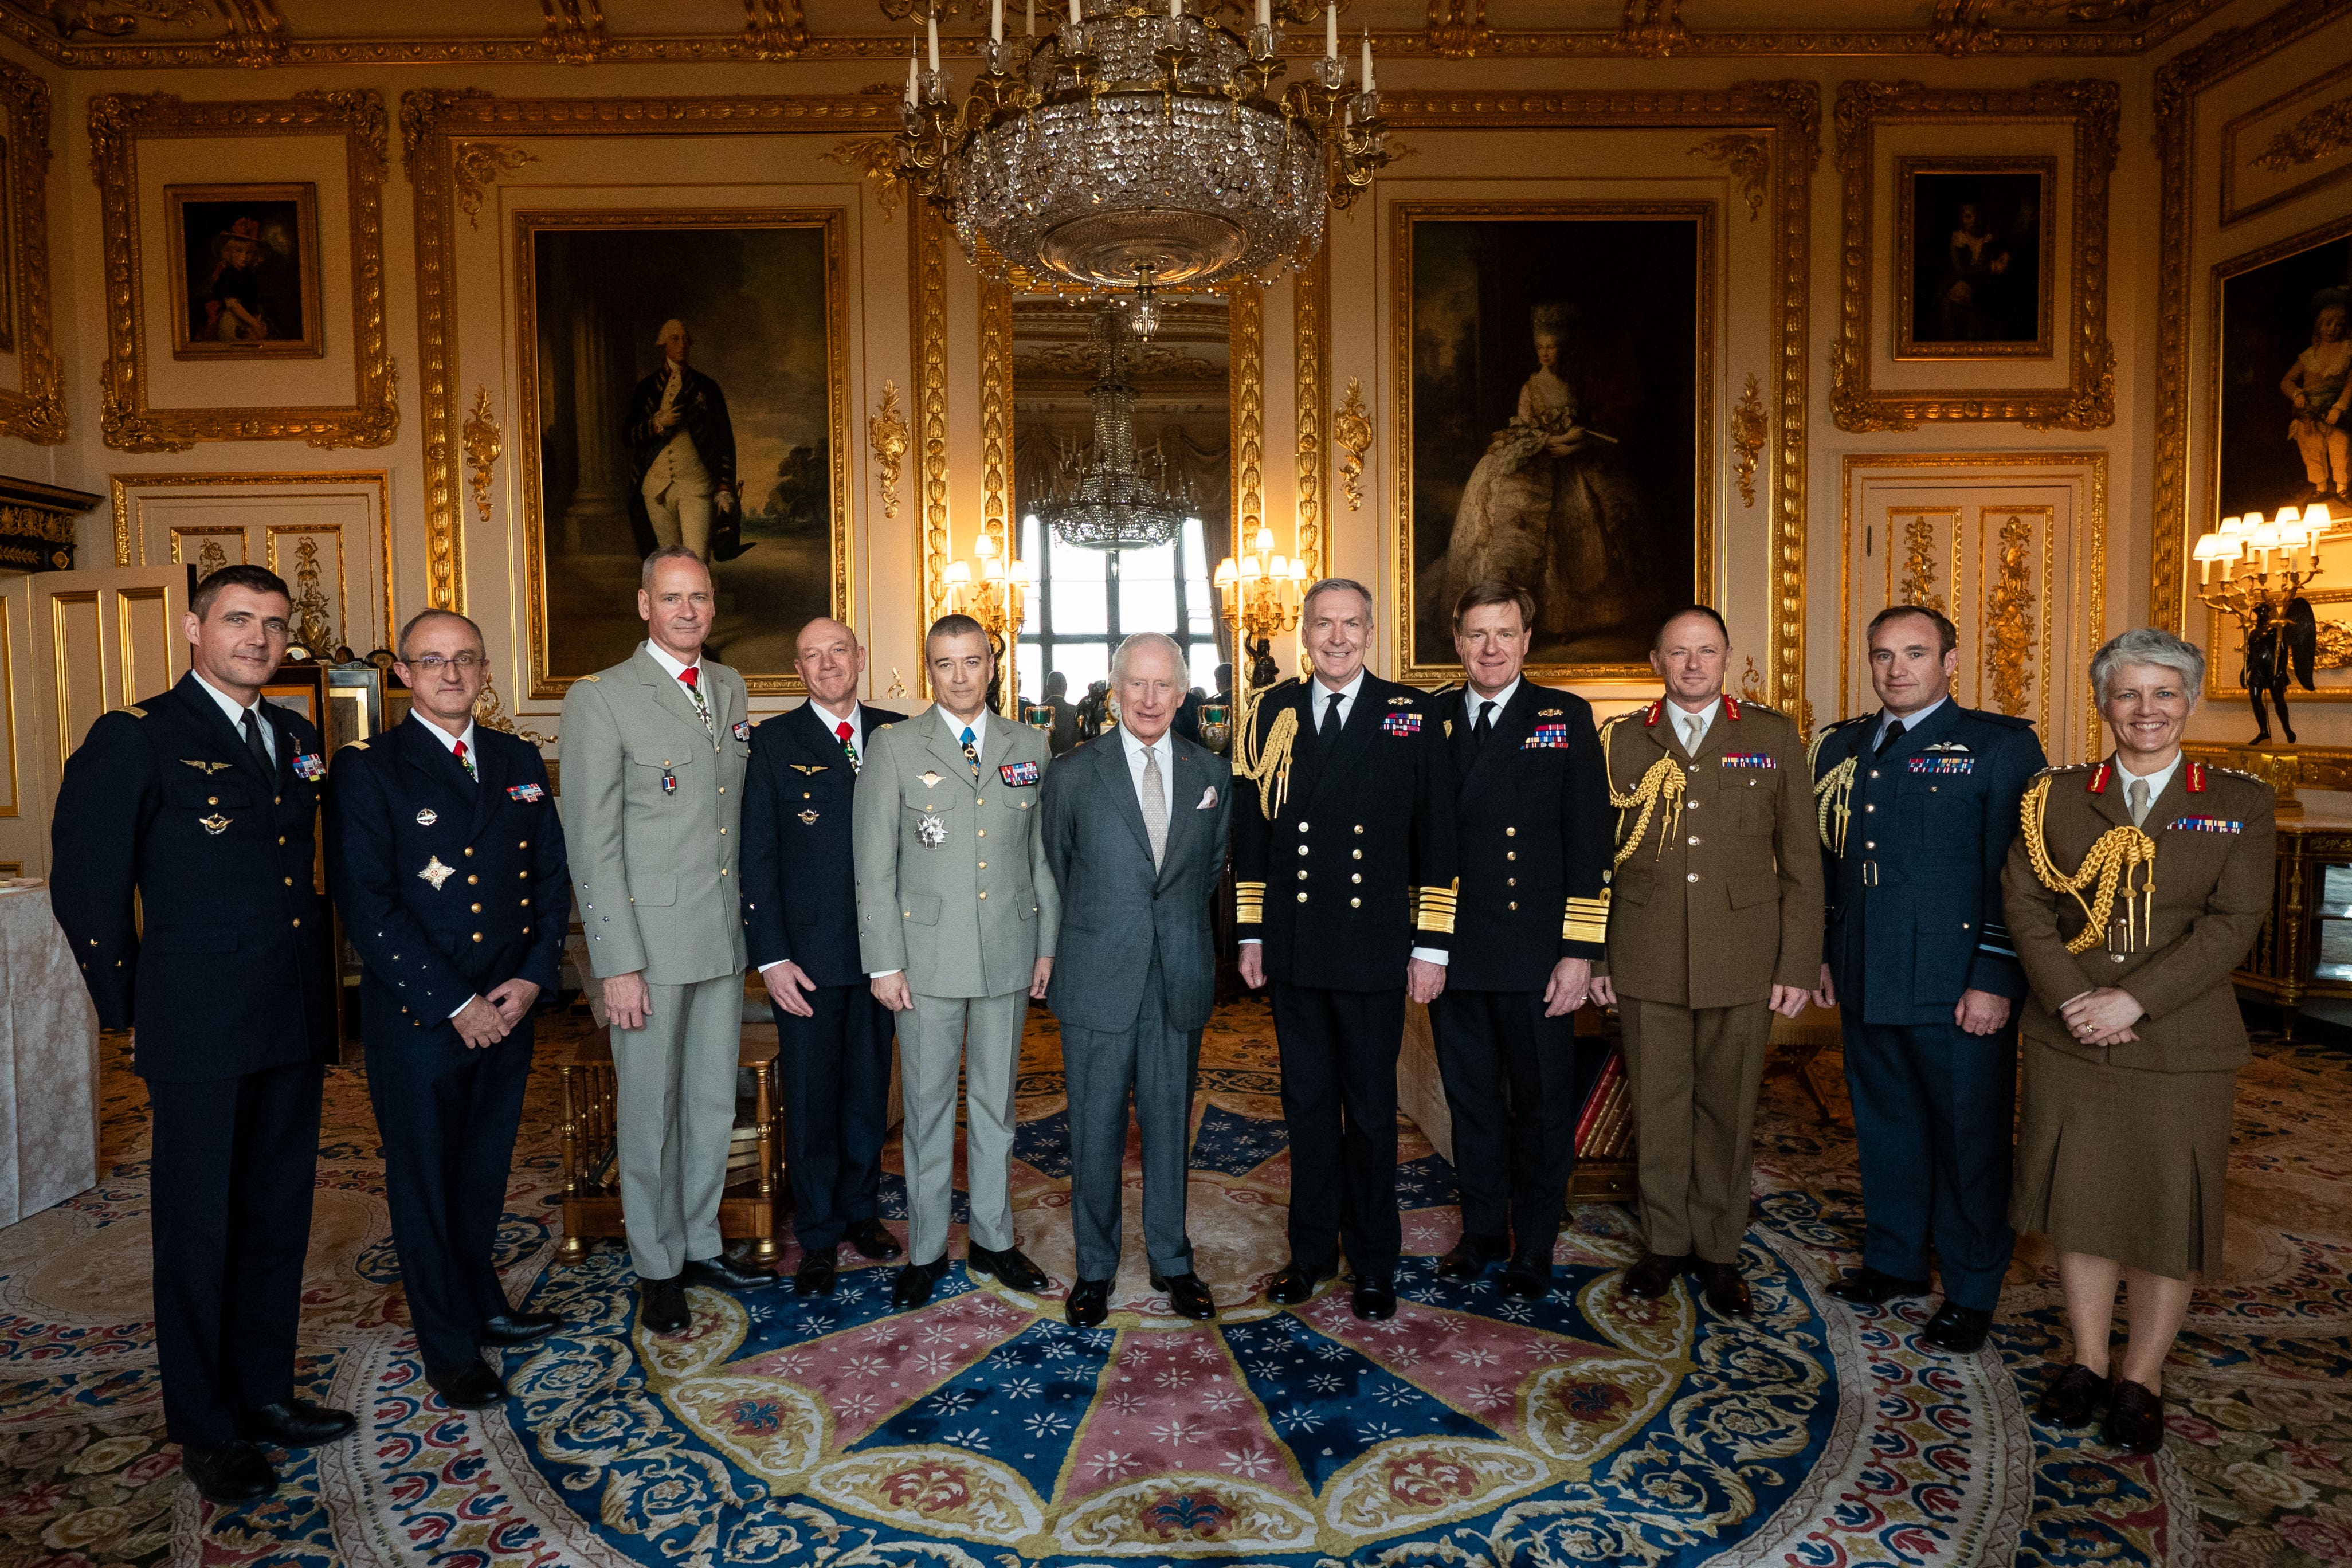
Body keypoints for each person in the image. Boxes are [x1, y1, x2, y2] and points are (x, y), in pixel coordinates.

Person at [50, 563, 351, 1503]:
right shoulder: (137, 737)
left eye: (272, 623)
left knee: (275, 1218)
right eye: (237, 620)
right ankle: (206, 1426)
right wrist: (128, 1008)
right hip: (197, 1023)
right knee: (199, 1229)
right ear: (192, 627)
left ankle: (263, 1393)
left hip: (289, 1012)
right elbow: (88, 887)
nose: (257, 638)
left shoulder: (297, 736)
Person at [2002, 629, 2272, 1453]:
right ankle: (2086, 1361)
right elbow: (2024, 905)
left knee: (2166, 1211)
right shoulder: (2053, 795)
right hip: (2072, 1029)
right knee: (2081, 1204)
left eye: (2163, 693)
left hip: (2180, 1040)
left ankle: (2142, 1375)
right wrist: (2078, 997)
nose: (2145, 710)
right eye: (2128, 694)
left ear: (2188, 702)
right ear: (2103, 704)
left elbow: (2235, 923)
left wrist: (2135, 1000)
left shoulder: (2236, 800)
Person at [324, 609, 571, 1409]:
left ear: (486, 666)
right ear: (403, 674)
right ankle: (449, 1346)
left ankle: (482, 1304)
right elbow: (368, 904)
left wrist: (532, 980)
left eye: (465, 659)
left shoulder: (516, 757)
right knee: (426, 1182)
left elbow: (550, 883)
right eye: (432, 662)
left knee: (484, 1169)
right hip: (424, 1018)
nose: (451, 674)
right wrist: (456, 1002)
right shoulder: (370, 768)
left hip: (510, 1005)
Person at [1809, 603, 2046, 1352]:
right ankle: (1896, 1260)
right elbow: (1829, 863)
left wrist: (1996, 974)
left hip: (1957, 981)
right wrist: (1820, 952)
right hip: (1867, 967)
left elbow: (2020, 873)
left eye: (1915, 653)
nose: (1896, 668)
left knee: (1968, 1136)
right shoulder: (1841, 746)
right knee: (1885, 1124)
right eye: (1883, 655)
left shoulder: (1997, 745)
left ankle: (1974, 1289)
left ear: (1951, 659)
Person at [560, 546, 774, 1336]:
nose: (689, 612)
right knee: (649, 1109)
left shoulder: (729, 687)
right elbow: (592, 843)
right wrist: (617, 962)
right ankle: (655, 1264)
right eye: (673, 598)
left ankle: (697, 1237)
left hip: (719, 937)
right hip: (646, 948)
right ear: (644, 605)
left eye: (702, 598)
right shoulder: (603, 698)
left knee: (714, 1101)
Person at [1233, 578, 1458, 1320]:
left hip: (1371, 947)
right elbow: (1254, 834)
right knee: (1304, 1107)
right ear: (1303, 631)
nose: (1336, 638)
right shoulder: (1271, 710)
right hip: (1296, 945)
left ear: (1371, 633)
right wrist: (1252, 932)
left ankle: (1372, 1261)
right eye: (1323, 624)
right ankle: (1308, 1256)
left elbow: (1438, 837)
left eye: (1351, 625)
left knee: (1368, 1113)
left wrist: (1432, 944)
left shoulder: (1410, 713)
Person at [1589, 606, 1821, 1316]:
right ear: (1656, 661)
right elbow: (1596, 860)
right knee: (1658, 1105)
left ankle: (1720, 1250)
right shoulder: (1623, 741)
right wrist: (1596, 954)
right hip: (1646, 948)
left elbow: (1802, 862)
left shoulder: (1773, 736)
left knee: (1729, 1107)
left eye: (1708, 652)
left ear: (1727, 659)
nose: (1694, 665)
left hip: (1741, 953)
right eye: (1679, 653)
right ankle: (1664, 1243)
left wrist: (1798, 964)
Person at [853, 614, 1060, 1308]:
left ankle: (996, 1240)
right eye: (946, 664)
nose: (961, 676)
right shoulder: (893, 747)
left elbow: (1041, 858)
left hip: (1006, 950)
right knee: (928, 1108)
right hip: (926, 958)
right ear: (928, 671)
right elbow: (874, 868)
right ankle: (929, 1247)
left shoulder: (1029, 743)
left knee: (997, 1108)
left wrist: (1046, 944)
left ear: (992, 665)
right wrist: (884, 961)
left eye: (973, 661)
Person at [1041, 632, 1233, 1326]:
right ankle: (1094, 1268)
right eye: (1137, 685)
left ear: (1182, 694)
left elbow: (1205, 874)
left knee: (1166, 1124)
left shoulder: (1211, 773)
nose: (1150, 699)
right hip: (1097, 972)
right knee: (1093, 1129)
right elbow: (1061, 870)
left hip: (1176, 972)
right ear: (1114, 690)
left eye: (1164, 686)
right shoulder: (1071, 773)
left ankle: (1172, 1261)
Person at [1425, 581, 1610, 1299]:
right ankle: (1480, 1233)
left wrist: (1579, 952)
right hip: (1455, 951)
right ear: (1458, 640)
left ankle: (1533, 1242)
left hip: (1537, 954)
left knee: (1540, 1108)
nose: (1491, 649)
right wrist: (1423, 947)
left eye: (1504, 634)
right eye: (1477, 635)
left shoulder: (1563, 716)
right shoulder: (1430, 717)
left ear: (1528, 640)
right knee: (1470, 1103)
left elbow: (1589, 839)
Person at [742, 617, 907, 1295]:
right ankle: (815, 1234)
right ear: (799, 669)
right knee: (811, 1102)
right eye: (812, 656)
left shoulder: (900, 733)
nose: (827, 664)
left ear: (860, 658)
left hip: (884, 956)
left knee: (870, 1095)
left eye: (837, 651)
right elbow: (756, 858)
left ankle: (861, 1213)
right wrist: (772, 957)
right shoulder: (775, 741)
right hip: (807, 960)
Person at [1421, 301, 1644, 647]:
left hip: (1571, 473)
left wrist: (1576, 443)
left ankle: (1569, 619)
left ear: (1562, 349)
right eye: (1540, 347)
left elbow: (1579, 427)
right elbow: (1525, 434)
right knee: (1535, 542)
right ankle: (1532, 624)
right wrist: (1558, 439)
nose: (1545, 353)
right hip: (1537, 471)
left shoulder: (1569, 387)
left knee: (1577, 540)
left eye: (1551, 347)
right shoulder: (1531, 388)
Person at [626, 319, 739, 562]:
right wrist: (657, 424)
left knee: (697, 563)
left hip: (697, 486)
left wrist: (724, 488)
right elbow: (628, 436)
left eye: (686, 339)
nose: (682, 345)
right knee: (668, 565)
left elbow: (725, 441)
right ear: (663, 344)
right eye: (675, 339)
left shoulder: (707, 388)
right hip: (656, 489)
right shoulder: (646, 388)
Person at [2282, 292, 2349, 505]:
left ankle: (2342, 488)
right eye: (2328, 324)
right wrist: (2297, 394)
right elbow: (2286, 381)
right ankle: (2320, 487)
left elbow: (2351, 383)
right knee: (2311, 447)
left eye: (2338, 325)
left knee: (2341, 445)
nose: (2332, 329)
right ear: (2319, 326)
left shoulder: (2348, 351)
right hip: (2310, 412)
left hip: (2335, 410)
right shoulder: (2310, 355)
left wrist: (2340, 407)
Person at [1042, 671, 1081, 756]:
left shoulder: (1038, 711)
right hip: (1069, 759)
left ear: (1048, 688)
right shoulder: (1075, 711)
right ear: (1066, 687)